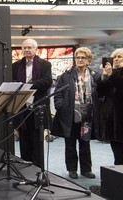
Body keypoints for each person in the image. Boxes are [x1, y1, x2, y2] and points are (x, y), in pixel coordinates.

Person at [52, 47, 100, 179]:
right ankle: (72, 169)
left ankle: (86, 170)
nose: (79, 60)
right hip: (71, 115)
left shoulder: (95, 76)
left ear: (88, 60)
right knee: (70, 144)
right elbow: (58, 94)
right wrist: (61, 107)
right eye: (77, 57)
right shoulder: (66, 75)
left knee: (85, 143)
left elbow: (100, 94)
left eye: (83, 57)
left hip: (87, 116)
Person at [12, 38, 52, 167]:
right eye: (25, 48)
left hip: (38, 107)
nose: (27, 50)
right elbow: (12, 82)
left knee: (37, 140)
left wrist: (27, 85)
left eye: (30, 47)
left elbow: (47, 82)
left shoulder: (45, 64)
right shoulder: (16, 66)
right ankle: (26, 166)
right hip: (21, 108)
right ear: (22, 50)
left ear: (36, 49)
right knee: (24, 140)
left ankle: (38, 168)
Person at [97, 48, 123, 165]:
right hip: (112, 118)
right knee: (117, 153)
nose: (116, 59)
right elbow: (101, 92)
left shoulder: (115, 74)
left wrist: (112, 74)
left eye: (119, 56)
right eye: (115, 57)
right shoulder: (112, 73)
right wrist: (103, 77)